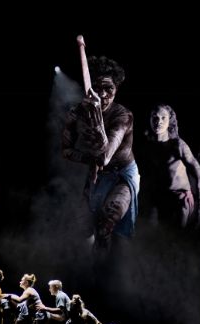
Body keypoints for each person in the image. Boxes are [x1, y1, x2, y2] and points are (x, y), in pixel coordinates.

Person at [62, 56, 140, 253]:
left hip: (123, 175)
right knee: (84, 229)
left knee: (107, 223)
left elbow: (105, 157)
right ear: (89, 89)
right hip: (97, 175)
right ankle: (89, 268)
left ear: (116, 89)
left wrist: (96, 118)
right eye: (97, 88)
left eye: (109, 89)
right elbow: (66, 150)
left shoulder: (123, 116)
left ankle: (108, 271)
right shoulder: (76, 114)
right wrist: (88, 160)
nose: (103, 94)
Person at [142, 104, 200, 229]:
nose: (159, 121)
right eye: (155, 117)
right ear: (150, 120)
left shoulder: (178, 145)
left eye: (163, 118)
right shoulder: (146, 147)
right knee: (150, 236)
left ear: (169, 121)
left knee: (175, 238)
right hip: (157, 200)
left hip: (179, 200)